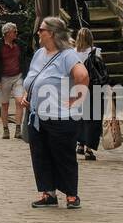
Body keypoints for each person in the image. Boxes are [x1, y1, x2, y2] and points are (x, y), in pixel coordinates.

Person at [16, 16, 90, 209]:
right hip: (38, 116)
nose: (38, 33)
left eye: (42, 30)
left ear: (53, 34)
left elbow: (82, 76)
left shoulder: (67, 55)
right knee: (41, 155)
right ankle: (48, 193)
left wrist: (76, 100)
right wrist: (27, 95)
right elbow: (33, 78)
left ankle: (72, 196)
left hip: (61, 117)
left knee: (63, 156)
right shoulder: (39, 53)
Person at [0, 22, 26, 140]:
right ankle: (5, 129)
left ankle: (18, 129)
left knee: (19, 102)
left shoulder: (19, 44)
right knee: (4, 104)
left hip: (18, 76)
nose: (16, 33)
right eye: (14, 31)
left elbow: (24, 59)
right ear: (7, 33)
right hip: (4, 77)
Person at [74, 26, 104, 161]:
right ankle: (89, 149)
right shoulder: (96, 52)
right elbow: (101, 71)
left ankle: (80, 144)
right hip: (94, 89)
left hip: (78, 88)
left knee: (80, 117)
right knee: (93, 119)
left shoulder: (73, 53)